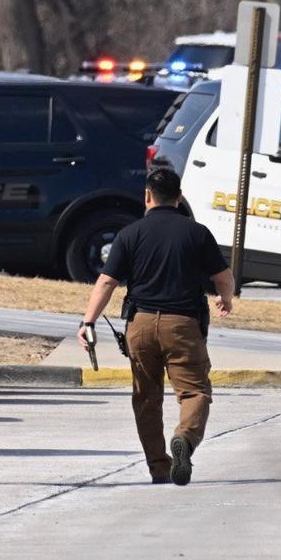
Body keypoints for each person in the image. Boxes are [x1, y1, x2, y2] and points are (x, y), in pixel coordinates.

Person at [78, 168, 235, 486]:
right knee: (194, 392)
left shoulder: (129, 234)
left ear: (147, 196)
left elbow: (107, 281)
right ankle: (185, 439)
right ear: (179, 198)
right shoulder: (197, 233)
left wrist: (88, 321)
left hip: (141, 324)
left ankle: (159, 468)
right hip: (183, 325)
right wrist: (225, 299)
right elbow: (223, 277)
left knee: (147, 398)